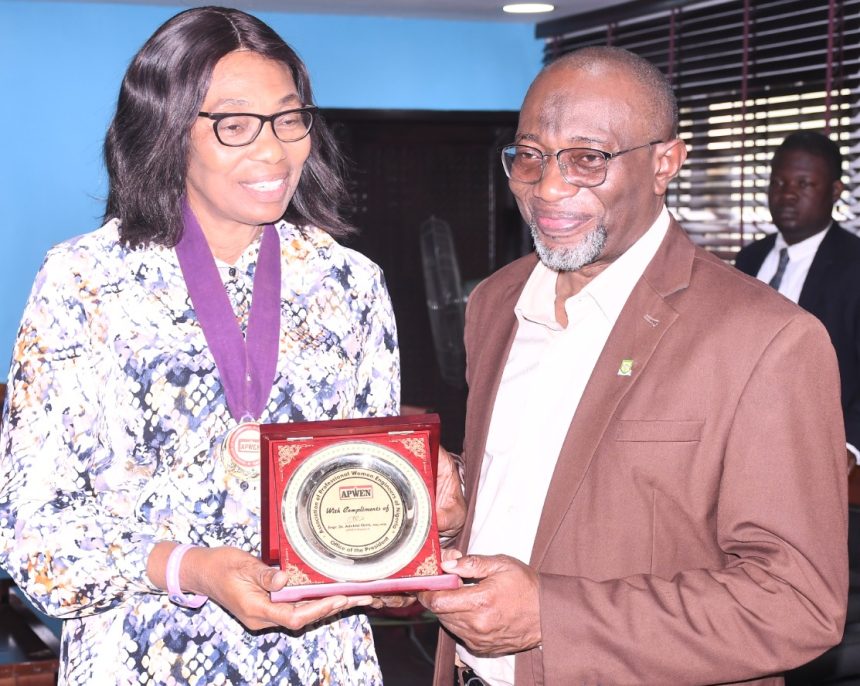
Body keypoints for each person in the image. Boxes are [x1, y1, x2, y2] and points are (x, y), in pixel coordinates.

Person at [419, 46, 848, 686]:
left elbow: (797, 602)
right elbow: (561, 496)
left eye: (589, 159)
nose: (549, 188)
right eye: (529, 156)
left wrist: (551, 616)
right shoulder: (495, 302)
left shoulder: (768, 338)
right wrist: (458, 499)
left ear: (665, 163)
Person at [0, 7, 398, 685]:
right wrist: (190, 567)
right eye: (235, 125)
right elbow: (31, 535)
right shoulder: (84, 283)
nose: (273, 152)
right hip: (140, 660)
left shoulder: (349, 285)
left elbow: (365, 496)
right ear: (167, 130)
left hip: (321, 662)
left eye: (289, 117)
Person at [735, 131, 860, 474]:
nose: (787, 194)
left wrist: (849, 445)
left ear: (835, 192)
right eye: (778, 181)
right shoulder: (748, 259)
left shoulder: (854, 265)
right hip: (741, 446)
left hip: (818, 454)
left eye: (804, 184)